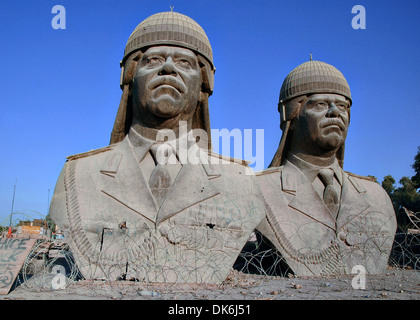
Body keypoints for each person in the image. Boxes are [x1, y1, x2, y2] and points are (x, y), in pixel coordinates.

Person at [50, 11, 265, 284]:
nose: (168, 68)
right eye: (153, 60)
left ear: (203, 86)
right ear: (130, 77)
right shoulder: (77, 174)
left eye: (184, 62)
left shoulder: (240, 180)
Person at [256, 59, 397, 276]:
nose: (335, 112)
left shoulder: (377, 196)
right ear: (290, 115)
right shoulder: (258, 190)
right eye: (320, 104)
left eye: (342, 106)